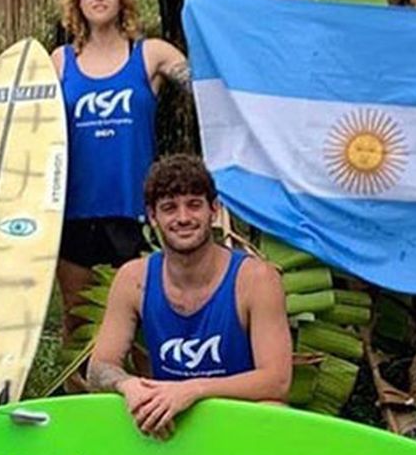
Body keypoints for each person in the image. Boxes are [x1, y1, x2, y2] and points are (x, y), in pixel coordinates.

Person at [0, 0, 190, 335]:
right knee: (78, 322)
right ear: (78, 1)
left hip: (136, 213)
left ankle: (144, 394)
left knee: (144, 325)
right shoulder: (59, 63)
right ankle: (79, 393)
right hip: (74, 212)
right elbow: (18, 116)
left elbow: (208, 90)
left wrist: (207, 21)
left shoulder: (151, 54)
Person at [86, 155, 292, 437]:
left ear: (214, 210)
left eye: (194, 205)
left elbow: (276, 381)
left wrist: (194, 389)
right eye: (170, 208)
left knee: (274, 409)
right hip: (171, 424)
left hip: (241, 420)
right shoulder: (134, 279)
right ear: (153, 217)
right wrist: (129, 386)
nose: (183, 218)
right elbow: (99, 368)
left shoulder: (256, 279)